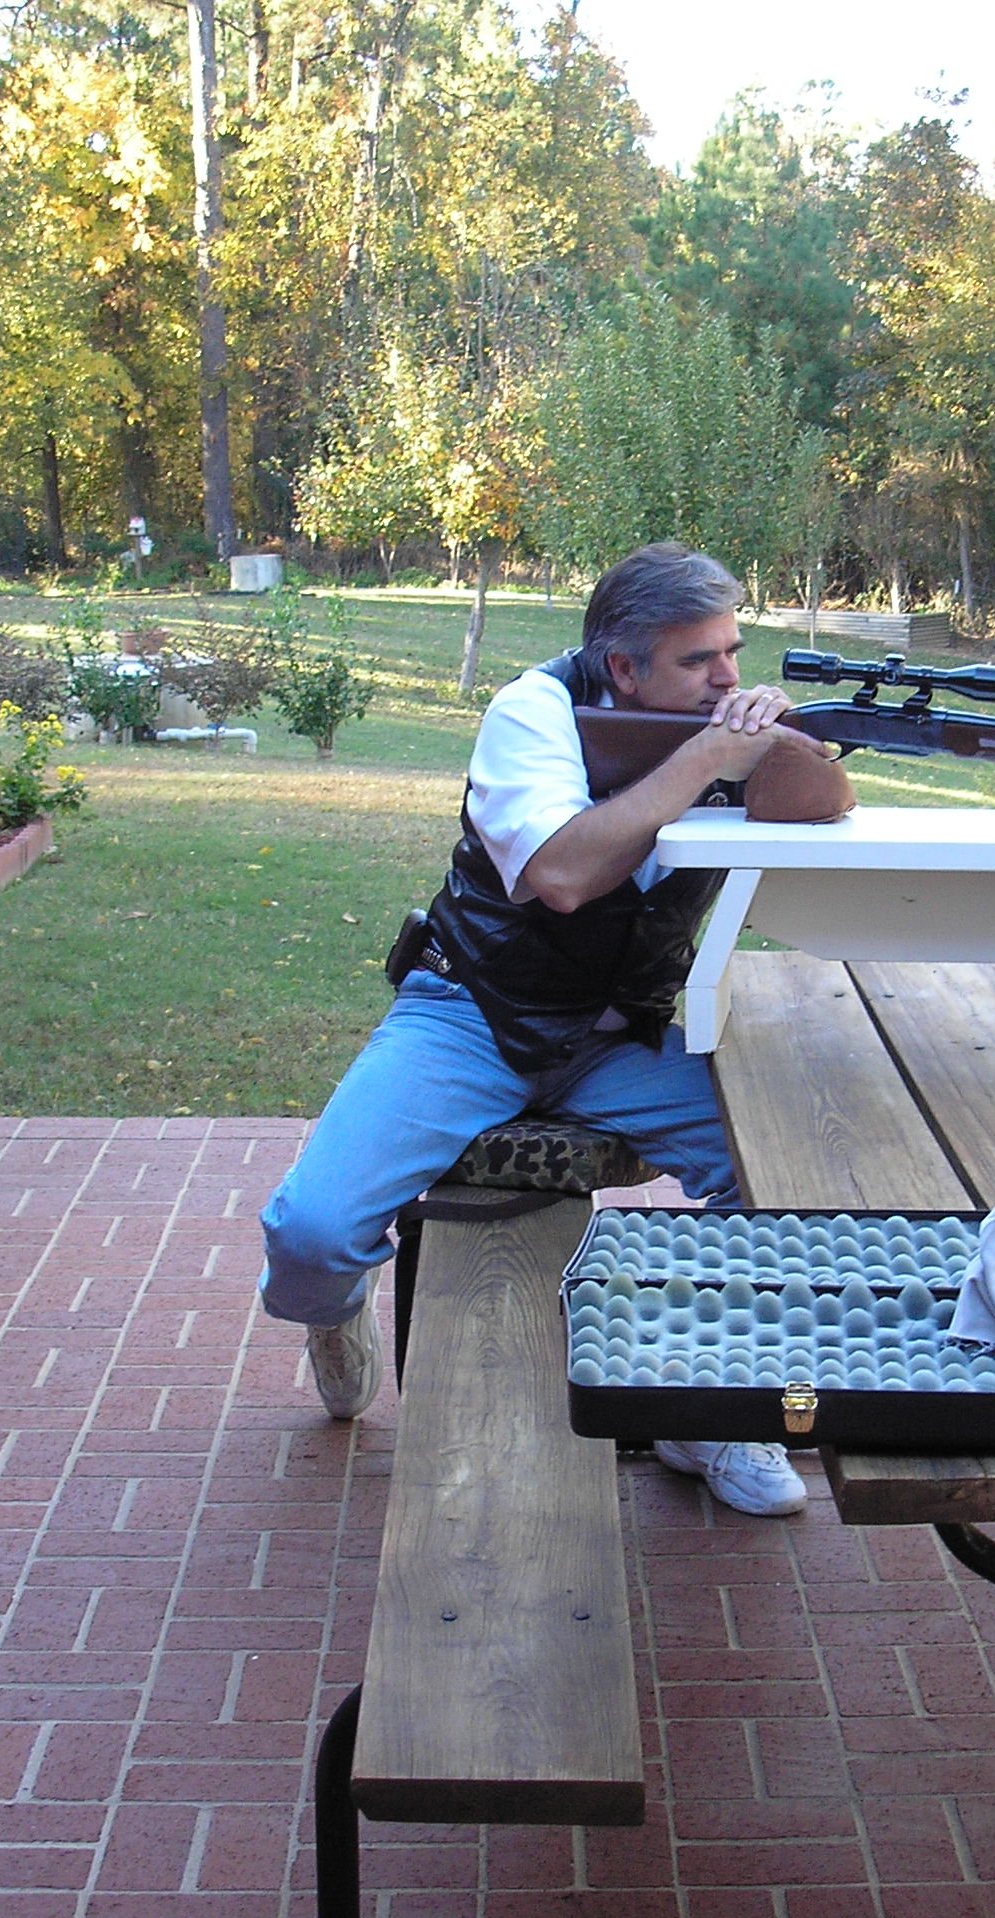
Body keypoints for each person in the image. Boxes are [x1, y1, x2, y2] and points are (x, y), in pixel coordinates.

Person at [257, 543, 828, 1516]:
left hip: (621, 1035)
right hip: (474, 1013)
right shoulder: (533, 712)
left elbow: (825, 816)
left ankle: (705, 1402)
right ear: (623, 669)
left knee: (785, 1171)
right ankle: (333, 1310)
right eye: (700, 660)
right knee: (313, 1232)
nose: (727, 677)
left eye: (733, 653)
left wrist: (788, 746)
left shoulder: (717, 726)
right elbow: (561, 875)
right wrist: (702, 759)